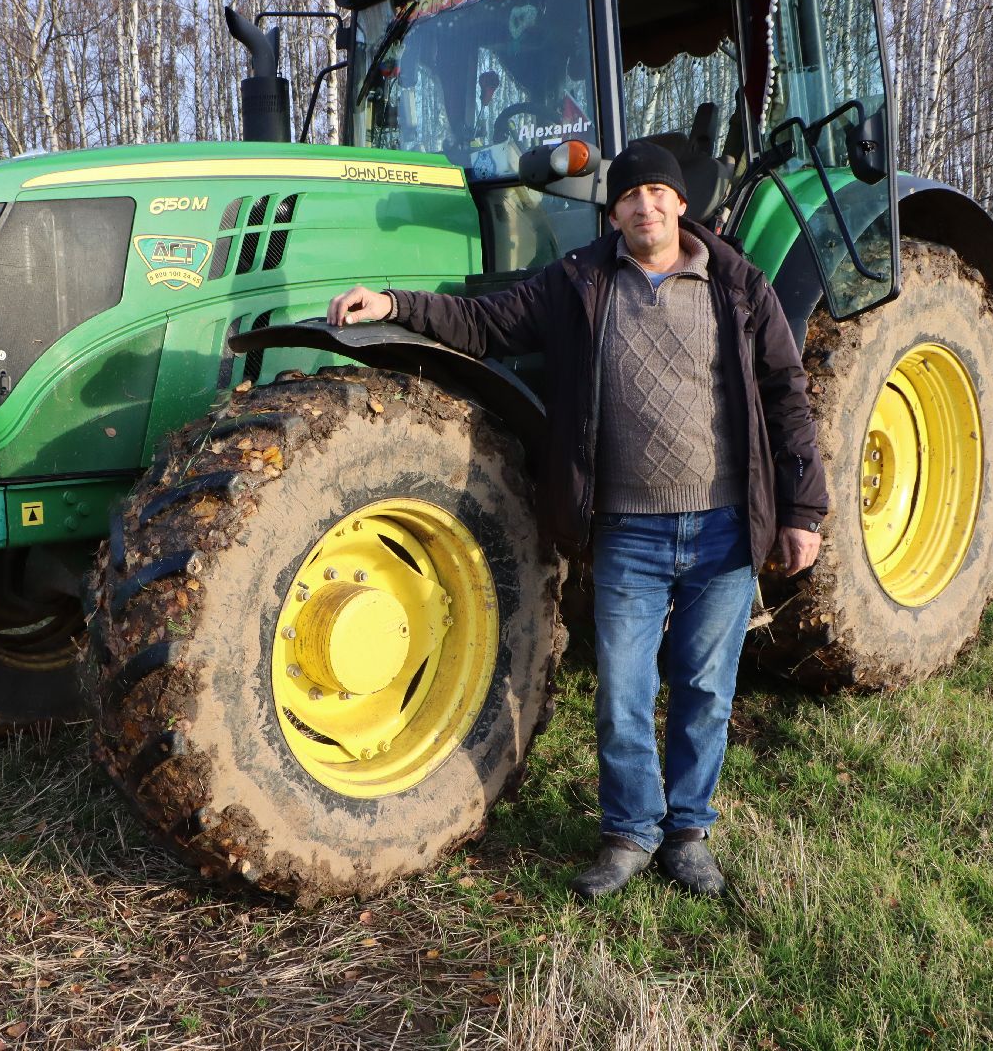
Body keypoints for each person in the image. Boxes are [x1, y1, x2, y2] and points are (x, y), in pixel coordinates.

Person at [327, 141, 828, 899]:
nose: (645, 205)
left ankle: (688, 834)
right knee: (622, 693)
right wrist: (395, 305)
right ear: (614, 208)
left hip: (724, 527)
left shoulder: (737, 284)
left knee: (703, 690)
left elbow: (786, 395)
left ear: (681, 204)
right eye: (630, 195)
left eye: (659, 192)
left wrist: (803, 509)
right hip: (628, 529)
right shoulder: (579, 282)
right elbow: (486, 323)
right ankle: (630, 833)